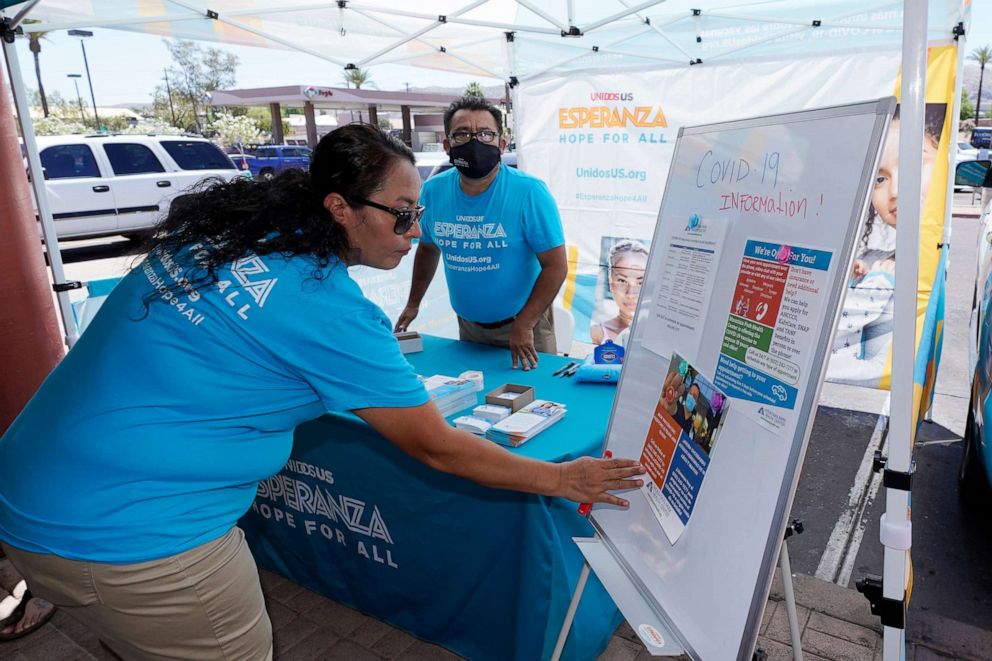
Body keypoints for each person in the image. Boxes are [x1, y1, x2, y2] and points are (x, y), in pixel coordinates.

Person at [0, 124, 643, 661]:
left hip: (25, 495)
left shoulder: (225, 240)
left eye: (419, 214)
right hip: (139, 539)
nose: (415, 231)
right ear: (339, 208)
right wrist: (562, 481)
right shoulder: (324, 307)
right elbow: (440, 448)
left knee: (136, 640)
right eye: (403, 215)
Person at [394, 96, 567, 371]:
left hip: (524, 328)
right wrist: (413, 303)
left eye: (486, 134)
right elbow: (428, 248)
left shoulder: (530, 192)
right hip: (469, 329)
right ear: (448, 145)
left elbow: (556, 266)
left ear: (501, 143)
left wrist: (525, 323)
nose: (475, 142)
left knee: (537, 404)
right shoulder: (433, 191)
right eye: (462, 134)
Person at [830, 108, 943, 387]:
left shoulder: (911, 266)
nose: (895, 191)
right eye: (879, 179)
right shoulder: (876, 259)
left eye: (914, 164)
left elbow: (832, 325)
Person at [590, 240, 649, 345]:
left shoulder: (657, 336)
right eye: (622, 281)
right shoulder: (597, 333)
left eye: (640, 282)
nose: (630, 294)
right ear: (610, 281)